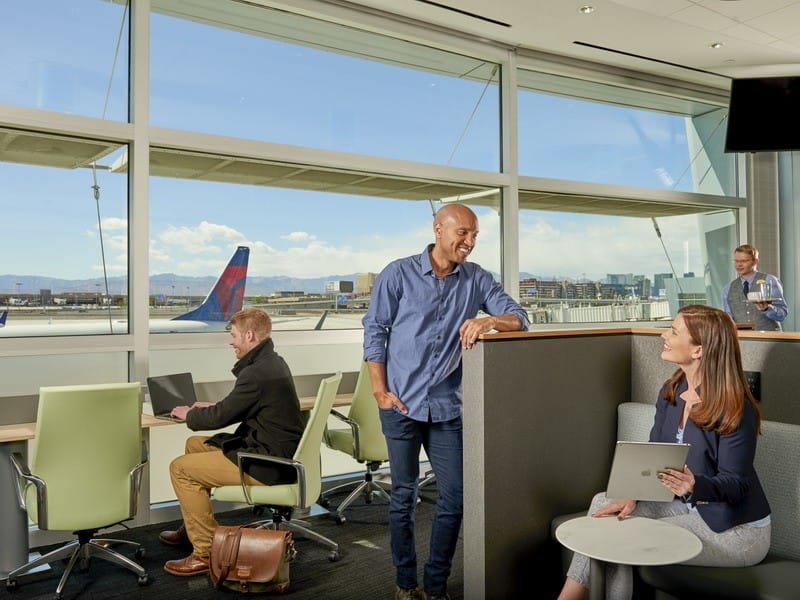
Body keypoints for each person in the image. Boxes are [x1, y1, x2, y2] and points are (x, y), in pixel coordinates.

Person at [362, 203, 530, 600]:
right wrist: (378, 390)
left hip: (446, 409)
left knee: (454, 498)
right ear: (439, 229)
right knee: (403, 498)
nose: (469, 242)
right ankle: (406, 584)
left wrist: (488, 320)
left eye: (474, 235)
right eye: (463, 233)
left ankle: (435, 586)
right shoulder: (398, 273)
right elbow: (375, 331)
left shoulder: (476, 280)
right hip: (400, 405)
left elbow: (520, 318)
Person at [557, 305, 771, 600]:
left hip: (735, 529)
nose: (663, 334)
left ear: (698, 350)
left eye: (673, 331)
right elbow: (655, 454)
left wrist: (696, 484)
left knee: (624, 535)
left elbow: (737, 484)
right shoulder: (672, 390)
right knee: (604, 505)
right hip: (686, 508)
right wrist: (632, 492)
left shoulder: (735, 407)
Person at [159, 308, 305, 576]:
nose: (231, 341)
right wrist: (213, 406)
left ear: (249, 335)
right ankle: (195, 526)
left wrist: (189, 413)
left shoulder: (257, 373)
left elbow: (221, 417)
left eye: (234, 335)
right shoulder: (272, 362)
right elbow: (241, 405)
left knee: (180, 468)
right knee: (195, 445)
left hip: (267, 462)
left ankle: (204, 553)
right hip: (274, 450)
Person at [721, 243, 787, 331]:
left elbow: (782, 315)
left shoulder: (770, 280)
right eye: (736, 261)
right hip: (742, 340)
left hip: (770, 338)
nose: (739, 265)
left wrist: (767, 308)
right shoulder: (728, 288)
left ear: (755, 261)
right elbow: (727, 318)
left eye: (744, 261)